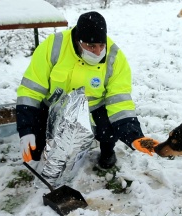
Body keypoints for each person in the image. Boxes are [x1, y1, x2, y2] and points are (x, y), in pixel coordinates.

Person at [16, 11, 158, 170]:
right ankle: (43, 152)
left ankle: (107, 151)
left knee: (109, 130)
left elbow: (119, 101)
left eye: (101, 45)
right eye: (91, 46)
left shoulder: (114, 57)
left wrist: (135, 136)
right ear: (77, 40)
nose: (98, 52)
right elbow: (30, 90)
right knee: (36, 145)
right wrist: (27, 129)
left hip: (94, 107)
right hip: (54, 105)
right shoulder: (53, 46)